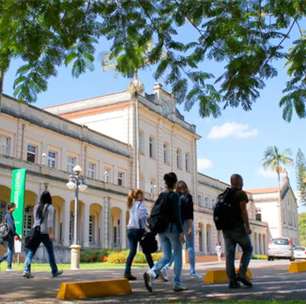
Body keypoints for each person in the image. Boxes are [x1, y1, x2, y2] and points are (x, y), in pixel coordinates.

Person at [143, 172, 186, 292]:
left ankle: (151, 273)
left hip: (161, 230)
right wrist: (181, 232)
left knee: (166, 256)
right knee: (177, 255)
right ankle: (177, 283)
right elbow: (177, 215)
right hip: (172, 229)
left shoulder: (161, 195)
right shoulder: (174, 196)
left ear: (166, 183)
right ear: (175, 183)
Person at [161, 180, 201, 280]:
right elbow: (190, 214)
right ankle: (192, 271)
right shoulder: (188, 197)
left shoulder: (175, 197)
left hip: (177, 224)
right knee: (190, 246)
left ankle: (165, 267)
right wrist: (191, 227)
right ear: (186, 187)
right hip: (186, 223)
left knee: (177, 248)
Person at [222, 174, 253, 289]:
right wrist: (248, 227)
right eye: (242, 180)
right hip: (237, 228)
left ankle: (232, 281)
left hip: (226, 229)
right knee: (248, 249)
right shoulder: (241, 193)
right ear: (239, 182)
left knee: (229, 255)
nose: (243, 182)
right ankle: (241, 274)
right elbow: (243, 211)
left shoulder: (225, 194)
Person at [23, 191, 63, 278]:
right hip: (45, 233)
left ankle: (26, 270)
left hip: (36, 230)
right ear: (49, 198)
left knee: (31, 251)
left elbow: (35, 219)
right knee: (50, 252)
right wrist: (51, 233)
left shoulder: (36, 206)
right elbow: (49, 222)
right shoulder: (50, 207)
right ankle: (54, 271)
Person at [124, 189, 154, 280]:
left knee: (132, 252)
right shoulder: (141, 206)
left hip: (130, 230)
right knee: (147, 251)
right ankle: (154, 271)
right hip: (138, 230)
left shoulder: (131, 204)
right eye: (142, 195)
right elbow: (142, 219)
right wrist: (149, 220)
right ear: (138, 196)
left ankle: (127, 272)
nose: (143, 196)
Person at [0, 203, 20, 271]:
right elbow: (11, 227)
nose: (15, 208)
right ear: (11, 208)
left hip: (9, 235)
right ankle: (9, 267)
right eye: (14, 207)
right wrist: (16, 234)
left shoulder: (8, 215)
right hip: (9, 235)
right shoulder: (8, 215)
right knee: (10, 251)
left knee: (10, 251)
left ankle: (3, 261)